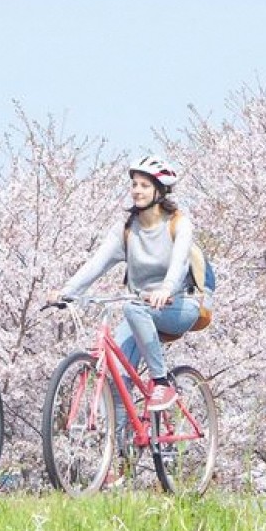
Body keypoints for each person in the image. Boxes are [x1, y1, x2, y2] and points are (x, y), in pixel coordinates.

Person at [50, 154, 203, 411]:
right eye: (134, 184)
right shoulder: (127, 229)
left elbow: (179, 265)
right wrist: (67, 293)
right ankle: (121, 449)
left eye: (144, 185)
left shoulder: (179, 224)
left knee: (133, 309)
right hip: (141, 308)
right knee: (118, 379)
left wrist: (165, 289)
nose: (137, 191)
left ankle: (161, 382)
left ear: (160, 190)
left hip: (180, 304)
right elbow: (97, 264)